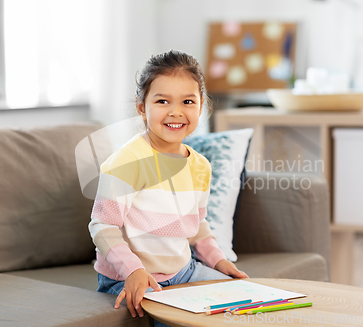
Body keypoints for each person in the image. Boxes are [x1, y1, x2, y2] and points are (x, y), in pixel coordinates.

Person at [89, 50, 249, 325]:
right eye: (162, 101)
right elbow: (102, 227)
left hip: (185, 271)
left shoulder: (200, 166)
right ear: (142, 107)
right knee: (182, 321)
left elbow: (197, 225)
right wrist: (133, 271)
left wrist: (218, 261)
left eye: (188, 101)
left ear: (201, 107)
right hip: (129, 276)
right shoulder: (126, 162)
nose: (176, 111)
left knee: (243, 303)